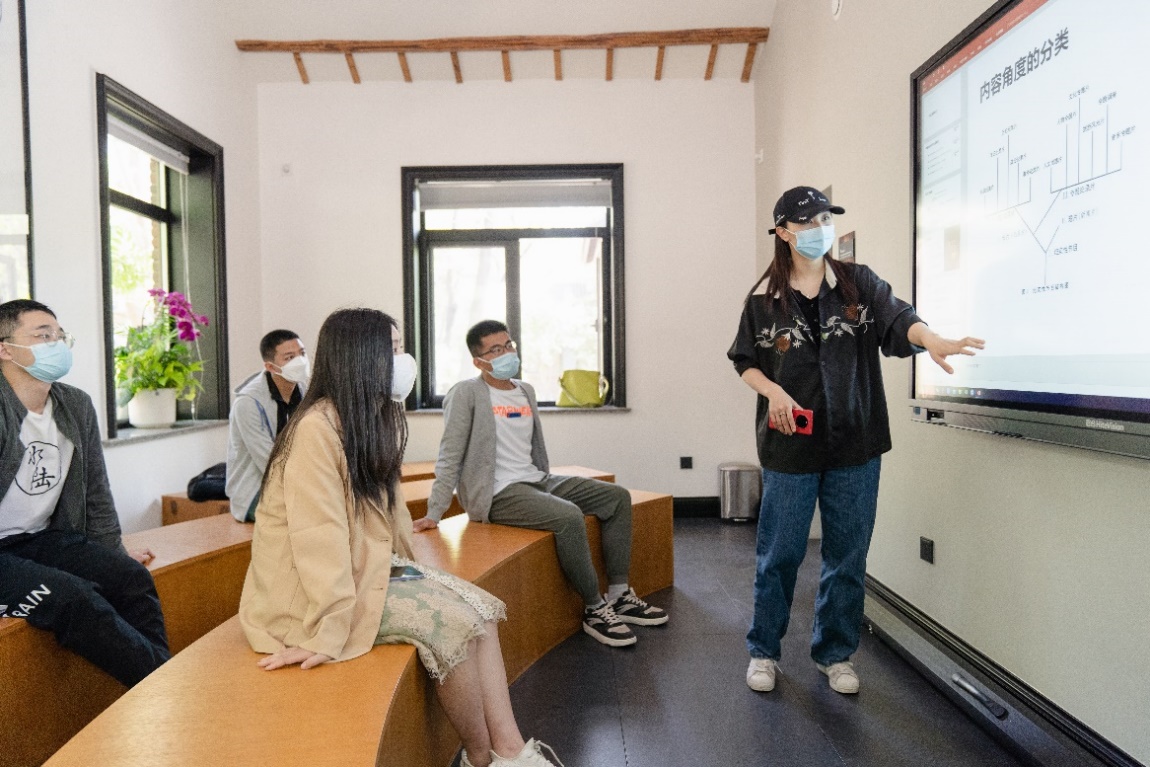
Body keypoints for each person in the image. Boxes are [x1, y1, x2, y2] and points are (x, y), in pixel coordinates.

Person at [238, 308, 560, 767]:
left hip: (368, 567)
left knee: (483, 611)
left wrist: (416, 574)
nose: (403, 361)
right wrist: (328, 631)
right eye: (392, 350)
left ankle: (511, 750)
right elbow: (318, 538)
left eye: (400, 348)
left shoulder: (369, 418)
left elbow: (391, 518)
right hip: (312, 594)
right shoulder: (314, 430)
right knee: (453, 626)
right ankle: (481, 757)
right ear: (360, 358)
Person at [727, 187, 984, 695]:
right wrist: (773, 390)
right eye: (808, 221)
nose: (820, 228)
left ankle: (835, 653)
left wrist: (931, 339)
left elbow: (898, 318)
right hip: (790, 448)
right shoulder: (763, 304)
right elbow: (745, 361)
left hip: (855, 446)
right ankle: (764, 650)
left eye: (826, 218)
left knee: (847, 555)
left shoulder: (857, 284)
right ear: (783, 232)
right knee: (780, 555)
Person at [414, 320, 668, 648]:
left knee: (617, 497)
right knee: (568, 516)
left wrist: (542, 479)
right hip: (498, 492)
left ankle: (620, 596)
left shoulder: (525, 391)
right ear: (478, 361)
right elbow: (450, 454)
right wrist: (434, 512)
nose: (506, 353)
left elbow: (532, 449)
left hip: (536, 479)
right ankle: (594, 608)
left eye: (508, 345)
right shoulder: (466, 393)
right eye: (495, 350)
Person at [0, 299, 169, 688]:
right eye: (43, 336)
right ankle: (164, 689)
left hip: (39, 539)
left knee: (130, 578)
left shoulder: (75, 404)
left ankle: (159, 686)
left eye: (59, 336)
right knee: (72, 598)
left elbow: (96, 494)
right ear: (5, 349)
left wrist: (111, 551)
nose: (56, 344)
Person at [225, 329, 308, 522]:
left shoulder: (305, 391)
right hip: (256, 491)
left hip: (297, 484)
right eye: (290, 357)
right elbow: (269, 463)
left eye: (302, 354)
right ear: (271, 366)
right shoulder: (248, 403)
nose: (300, 361)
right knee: (314, 515)